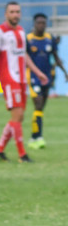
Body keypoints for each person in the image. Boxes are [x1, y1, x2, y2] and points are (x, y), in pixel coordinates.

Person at [0, 2, 48, 162]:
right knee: (17, 115)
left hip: (21, 79)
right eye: (12, 12)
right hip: (9, 79)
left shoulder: (21, 32)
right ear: (6, 14)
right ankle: (22, 155)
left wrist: (38, 72)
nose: (15, 15)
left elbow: (24, 56)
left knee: (18, 118)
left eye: (18, 12)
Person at [26, 12, 67, 149]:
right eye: (39, 23)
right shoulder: (28, 39)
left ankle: (33, 137)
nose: (41, 25)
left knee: (41, 108)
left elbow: (56, 57)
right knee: (37, 104)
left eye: (43, 23)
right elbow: (24, 59)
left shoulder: (49, 39)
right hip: (33, 77)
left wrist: (65, 72)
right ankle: (39, 137)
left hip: (47, 78)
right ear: (34, 24)